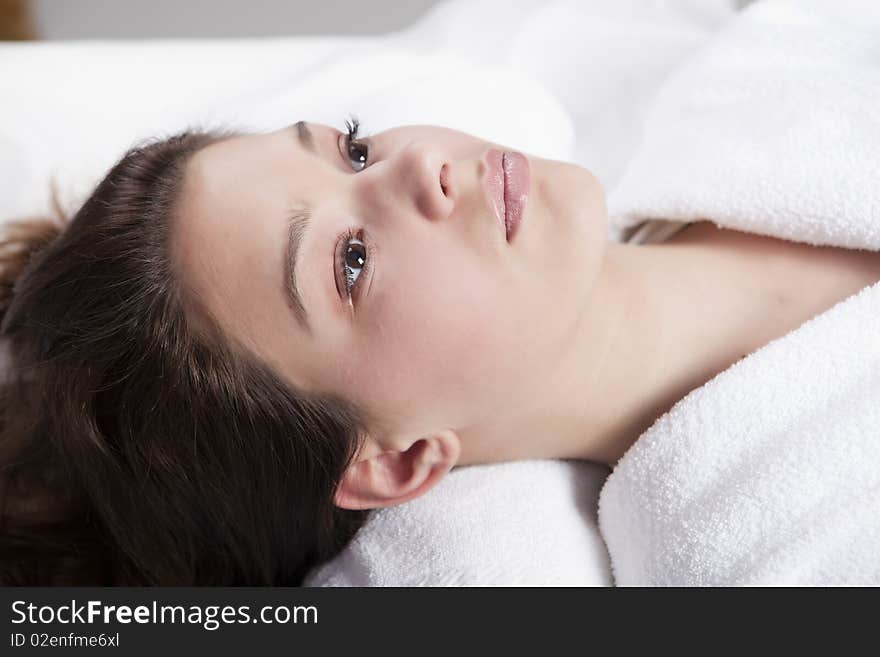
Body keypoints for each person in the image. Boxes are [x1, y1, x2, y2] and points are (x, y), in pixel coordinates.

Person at [2, 118, 878, 585]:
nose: (420, 161)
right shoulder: (797, 562)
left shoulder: (757, 80)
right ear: (392, 463)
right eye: (351, 260)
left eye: (351, 149)